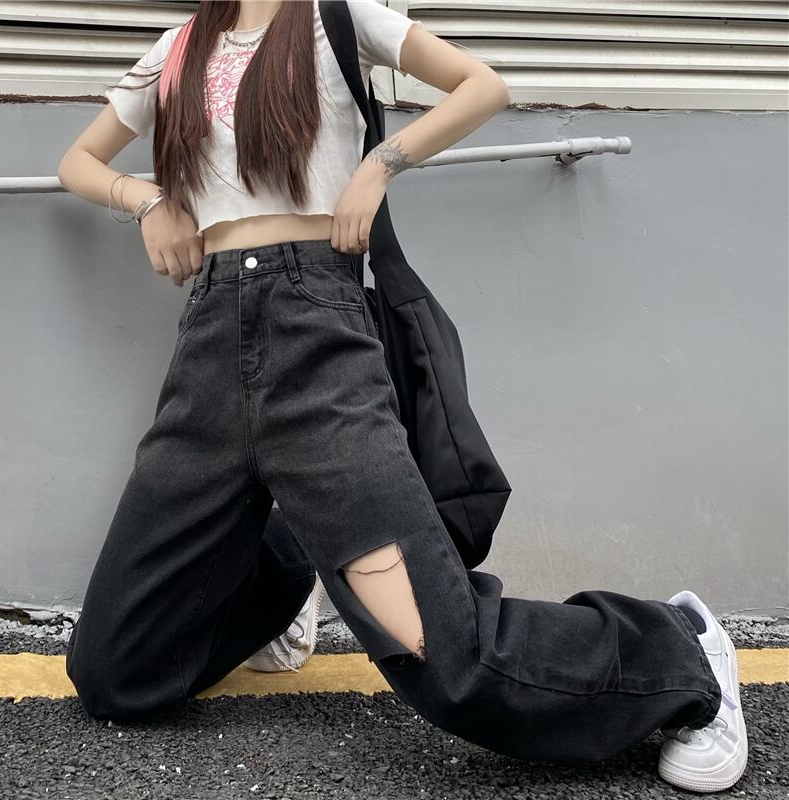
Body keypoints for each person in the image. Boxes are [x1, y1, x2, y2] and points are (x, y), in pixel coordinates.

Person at [57, 0, 747, 792]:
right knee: (113, 672)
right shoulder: (181, 47)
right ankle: (284, 568)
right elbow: (81, 159)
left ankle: (682, 650)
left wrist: (380, 165)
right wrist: (146, 200)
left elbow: (481, 85)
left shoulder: (335, 17)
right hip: (207, 346)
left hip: (317, 338)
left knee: (450, 663)